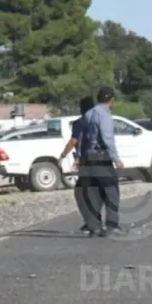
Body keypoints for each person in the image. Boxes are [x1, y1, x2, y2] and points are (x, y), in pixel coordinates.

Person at [76, 86, 125, 237]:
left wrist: (80, 157)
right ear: (111, 100)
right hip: (101, 156)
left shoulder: (88, 114)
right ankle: (112, 225)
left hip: (88, 157)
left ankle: (94, 226)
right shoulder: (104, 115)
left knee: (93, 192)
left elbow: (81, 139)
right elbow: (107, 138)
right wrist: (116, 159)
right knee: (111, 191)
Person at [61, 96, 96, 234]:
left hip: (87, 161)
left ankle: (91, 222)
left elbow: (74, 141)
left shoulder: (79, 123)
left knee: (81, 192)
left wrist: (63, 155)